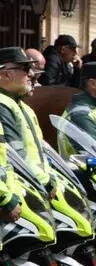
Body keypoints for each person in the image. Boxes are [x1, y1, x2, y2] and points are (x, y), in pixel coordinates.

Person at [0, 46, 54, 194]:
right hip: (22, 188)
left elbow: (40, 150)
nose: (31, 74)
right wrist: (45, 181)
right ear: (7, 74)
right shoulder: (2, 105)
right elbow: (16, 155)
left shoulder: (22, 106)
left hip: (35, 185)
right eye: (25, 68)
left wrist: (50, 176)